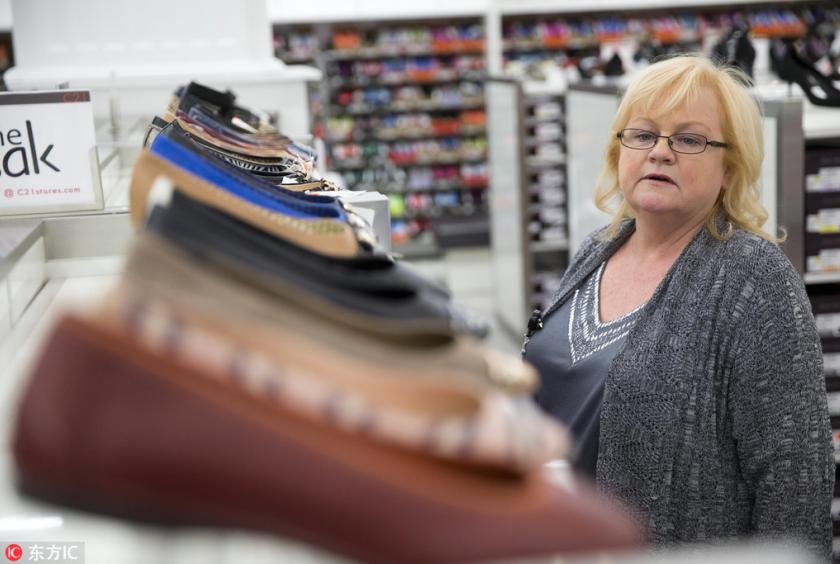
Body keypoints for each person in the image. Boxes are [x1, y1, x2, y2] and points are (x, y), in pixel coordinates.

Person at [522, 54, 833, 554]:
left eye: (689, 140)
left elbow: (795, 482)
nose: (659, 153)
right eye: (643, 134)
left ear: (729, 168)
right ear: (618, 150)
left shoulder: (752, 278)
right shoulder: (596, 250)